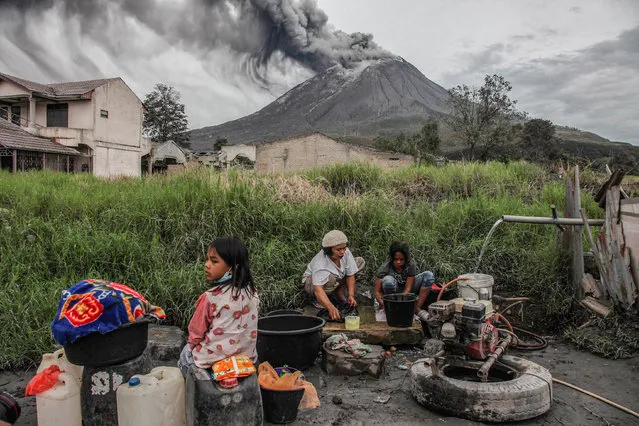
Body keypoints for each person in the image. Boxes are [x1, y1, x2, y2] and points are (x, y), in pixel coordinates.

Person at [179, 236, 259, 373]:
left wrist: (189, 348)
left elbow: (196, 333)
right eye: (207, 259)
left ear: (232, 268)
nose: (207, 264)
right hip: (247, 358)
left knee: (183, 361)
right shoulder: (253, 293)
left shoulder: (211, 297)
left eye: (214, 261)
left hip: (211, 359)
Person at [302, 230, 365, 321]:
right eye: (338, 250)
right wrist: (330, 307)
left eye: (344, 248)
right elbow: (318, 289)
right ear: (329, 250)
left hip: (336, 277)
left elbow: (350, 274)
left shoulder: (345, 252)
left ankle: (339, 292)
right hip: (312, 283)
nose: (342, 252)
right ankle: (321, 301)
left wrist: (351, 295)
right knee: (330, 278)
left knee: (359, 262)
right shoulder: (320, 263)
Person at [374, 241, 435, 311]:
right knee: (388, 281)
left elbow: (408, 289)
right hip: (392, 293)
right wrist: (383, 303)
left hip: (407, 291)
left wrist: (402, 301)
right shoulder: (385, 267)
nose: (398, 262)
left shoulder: (410, 265)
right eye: (396, 259)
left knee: (428, 275)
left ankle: (416, 308)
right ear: (392, 258)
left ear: (405, 259)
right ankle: (391, 305)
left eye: (401, 259)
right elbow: (377, 292)